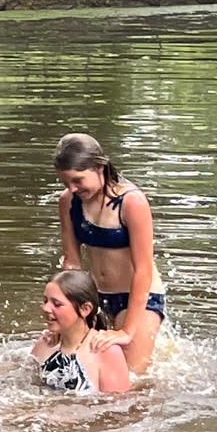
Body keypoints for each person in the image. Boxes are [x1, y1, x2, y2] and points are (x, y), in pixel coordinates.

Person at [54, 131, 165, 373]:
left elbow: (143, 270)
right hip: (95, 298)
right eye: (65, 183)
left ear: (98, 167)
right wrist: (64, 313)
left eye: (78, 180)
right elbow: (72, 263)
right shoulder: (69, 201)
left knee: (133, 377)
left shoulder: (131, 202)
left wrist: (126, 331)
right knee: (87, 369)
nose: (72, 189)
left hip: (138, 296)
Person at [31, 269, 132, 393]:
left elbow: (118, 407)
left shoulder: (105, 351)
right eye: (45, 301)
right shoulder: (44, 344)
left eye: (57, 304)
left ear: (85, 309)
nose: (46, 308)